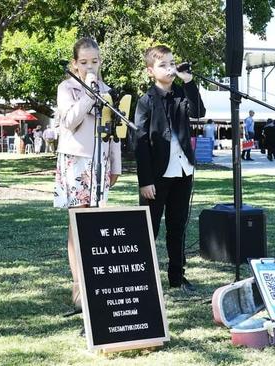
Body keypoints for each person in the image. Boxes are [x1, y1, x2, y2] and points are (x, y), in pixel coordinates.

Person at [54, 37, 122, 309]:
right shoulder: (67, 88)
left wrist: (115, 164)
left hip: (100, 161)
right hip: (76, 160)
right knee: (77, 222)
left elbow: (114, 130)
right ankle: (78, 287)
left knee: (95, 222)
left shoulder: (107, 90)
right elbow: (69, 121)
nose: (90, 66)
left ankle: (95, 282)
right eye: (84, 62)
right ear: (75, 63)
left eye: (94, 61)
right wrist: (87, 94)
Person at [134, 45, 206, 293]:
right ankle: (142, 276)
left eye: (171, 63)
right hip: (156, 175)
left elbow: (199, 112)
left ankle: (177, 275)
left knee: (178, 226)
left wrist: (189, 83)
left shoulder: (181, 94)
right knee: (149, 228)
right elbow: (140, 143)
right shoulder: (145, 101)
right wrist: (145, 180)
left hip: (183, 170)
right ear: (150, 71)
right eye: (163, 64)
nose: (169, 68)